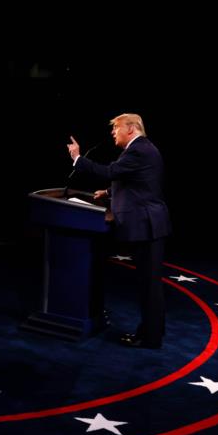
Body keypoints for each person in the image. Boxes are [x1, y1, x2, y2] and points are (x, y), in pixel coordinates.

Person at [67, 113, 172, 349]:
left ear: (132, 128)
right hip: (149, 224)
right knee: (149, 283)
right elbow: (138, 183)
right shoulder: (141, 150)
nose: (113, 132)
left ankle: (149, 337)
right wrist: (109, 193)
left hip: (147, 226)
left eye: (117, 128)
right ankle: (154, 330)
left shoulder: (139, 150)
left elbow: (111, 172)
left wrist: (78, 159)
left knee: (149, 284)